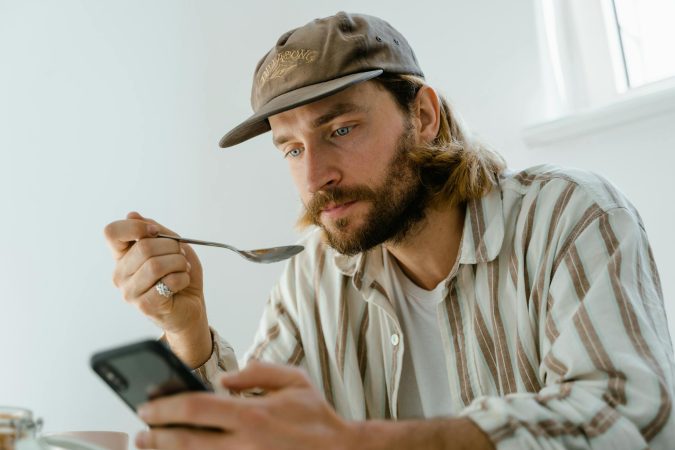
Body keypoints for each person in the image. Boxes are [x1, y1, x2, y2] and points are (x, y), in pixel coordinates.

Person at [103, 11, 675, 450]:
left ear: (422, 116)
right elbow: (259, 430)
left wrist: (353, 443)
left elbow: (625, 413)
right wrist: (188, 331)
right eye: (292, 148)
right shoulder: (315, 276)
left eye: (343, 128)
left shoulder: (570, 218)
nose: (315, 176)